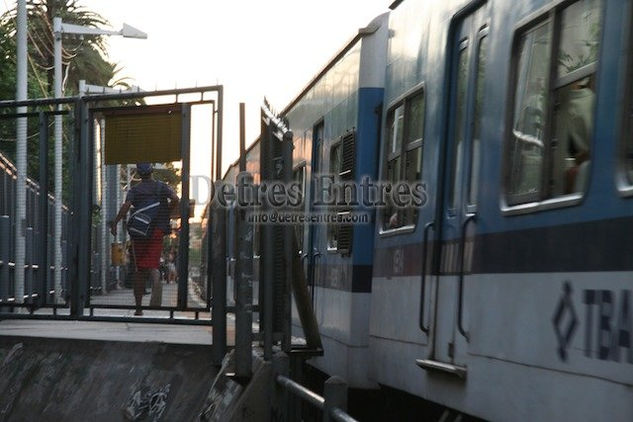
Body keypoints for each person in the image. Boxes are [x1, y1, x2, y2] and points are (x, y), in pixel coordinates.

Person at [110, 163, 179, 316]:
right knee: (153, 264)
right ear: (152, 172)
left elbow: (126, 206)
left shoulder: (135, 190)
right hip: (157, 231)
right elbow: (175, 198)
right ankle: (156, 279)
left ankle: (139, 308)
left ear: (139, 174)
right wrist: (167, 210)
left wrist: (115, 222)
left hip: (139, 232)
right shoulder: (162, 187)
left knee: (139, 269)